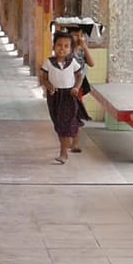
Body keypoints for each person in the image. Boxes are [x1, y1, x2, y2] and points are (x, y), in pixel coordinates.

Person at [43, 29, 87, 163]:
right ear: (53, 47)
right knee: (58, 122)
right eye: (59, 45)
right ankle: (67, 142)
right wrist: (49, 86)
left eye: (66, 46)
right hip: (55, 96)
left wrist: (76, 87)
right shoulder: (49, 63)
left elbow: (79, 76)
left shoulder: (72, 62)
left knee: (66, 122)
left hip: (69, 95)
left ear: (71, 49)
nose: (62, 48)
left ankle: (63, 153)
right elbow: (44, 78)